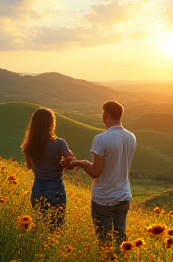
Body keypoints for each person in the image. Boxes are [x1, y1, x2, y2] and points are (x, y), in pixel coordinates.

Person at [70, 101, 136, 247]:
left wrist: (80, 163)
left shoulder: (101, 139)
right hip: (123, 195)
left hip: (104, 198)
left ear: (106, 115)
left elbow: (95, 172)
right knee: (121, 240)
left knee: (104, 242)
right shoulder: (131, 137)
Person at [21, 107, 75, 231]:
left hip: (37, 188)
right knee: (56, 228)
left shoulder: (29, 145)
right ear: (51, 124)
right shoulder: (59, 143)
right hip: (55, 188)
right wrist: (63, 162)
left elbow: (30, 166)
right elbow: (71, 162)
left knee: (41, 226)